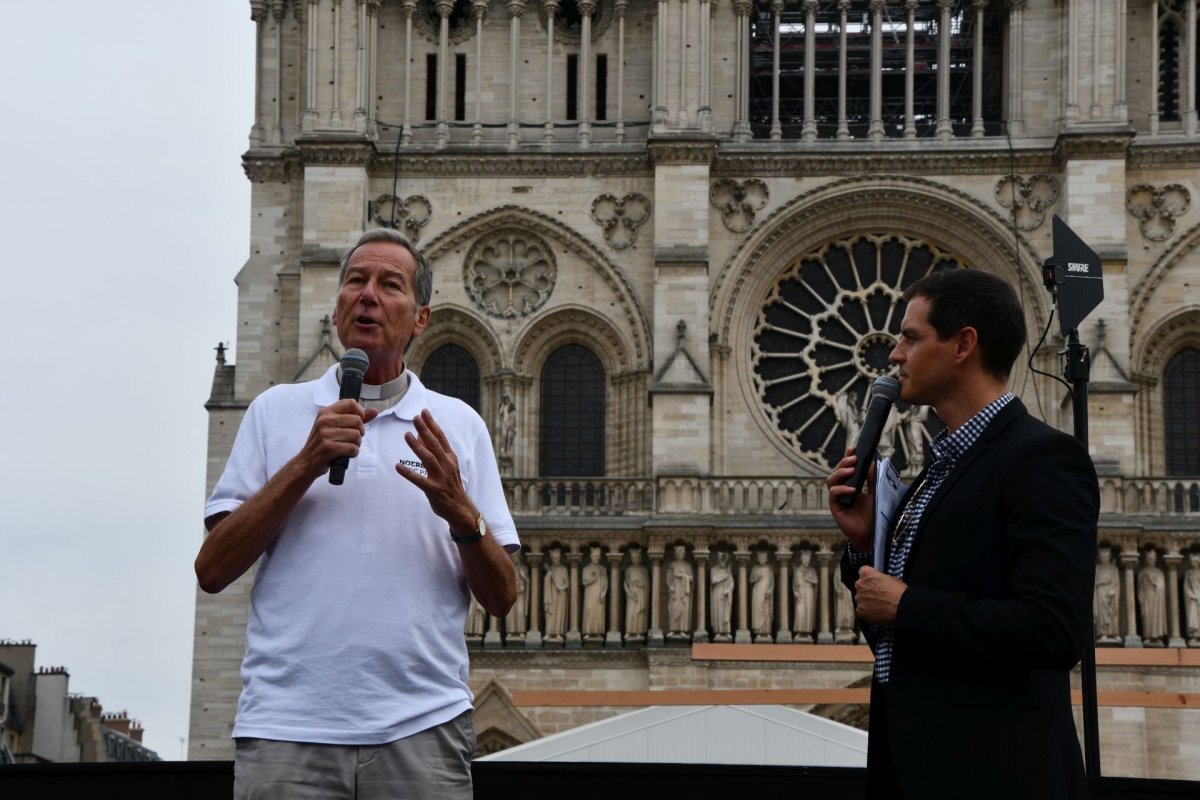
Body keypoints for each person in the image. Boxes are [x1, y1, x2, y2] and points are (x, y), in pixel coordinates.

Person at [195, 227, 519, 800]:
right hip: (287, 732)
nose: (366, 295)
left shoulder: (459, 427)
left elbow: (502, 598)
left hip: (423, 728)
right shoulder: (277, 411)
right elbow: (213, 570)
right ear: (338, 303)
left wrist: (460, 513)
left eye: (389, 284)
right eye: (354, 281)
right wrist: (305, 463)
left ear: (420, 318)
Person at [826, 268, 1098, 799]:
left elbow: (1055, 630)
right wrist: (865, 547)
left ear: (963, 345)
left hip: (995, 776)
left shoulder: (1042, 458)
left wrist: (907, 604)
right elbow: (896, 634)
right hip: (912, 772)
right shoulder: (939, 468)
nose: (894, 355)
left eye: (910, 337)